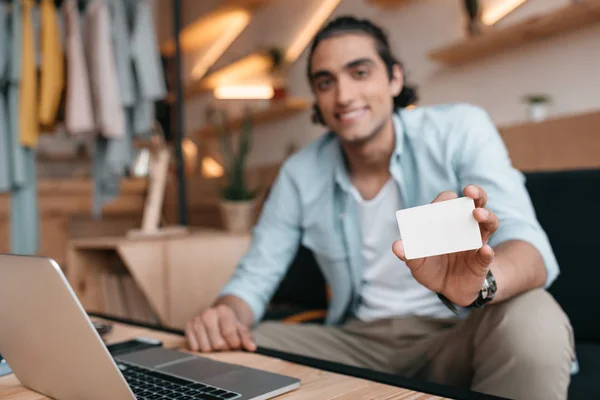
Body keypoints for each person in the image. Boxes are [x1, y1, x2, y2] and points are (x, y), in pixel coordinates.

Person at [185, 16, 574, 400]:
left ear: (394, 79)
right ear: (317, 100)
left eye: (359, 72)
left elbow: (530, 249)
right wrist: (226, 316)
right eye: (325, 82)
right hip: (356, 343)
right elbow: (254, 277)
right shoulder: (299, 173)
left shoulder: (459, 129)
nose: (343, 96)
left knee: (535, 318)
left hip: (458, 334)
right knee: (241, 347)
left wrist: (477, 287)